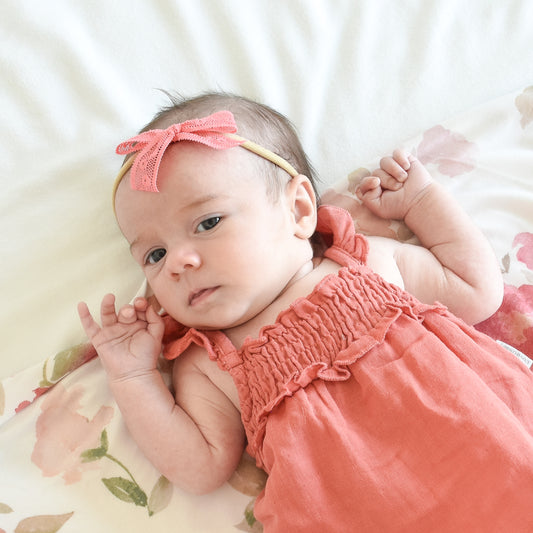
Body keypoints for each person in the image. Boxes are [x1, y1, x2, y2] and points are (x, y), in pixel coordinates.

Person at [78, 92, 533, 532]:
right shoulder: (211, 363)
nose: (178, 262)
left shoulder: (364, 263)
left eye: (208, 222)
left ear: (299, 210)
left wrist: (421, 202)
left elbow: (477, 291)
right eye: (154, 255)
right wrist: (134, 378)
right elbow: (200, 466)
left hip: (490, 459)